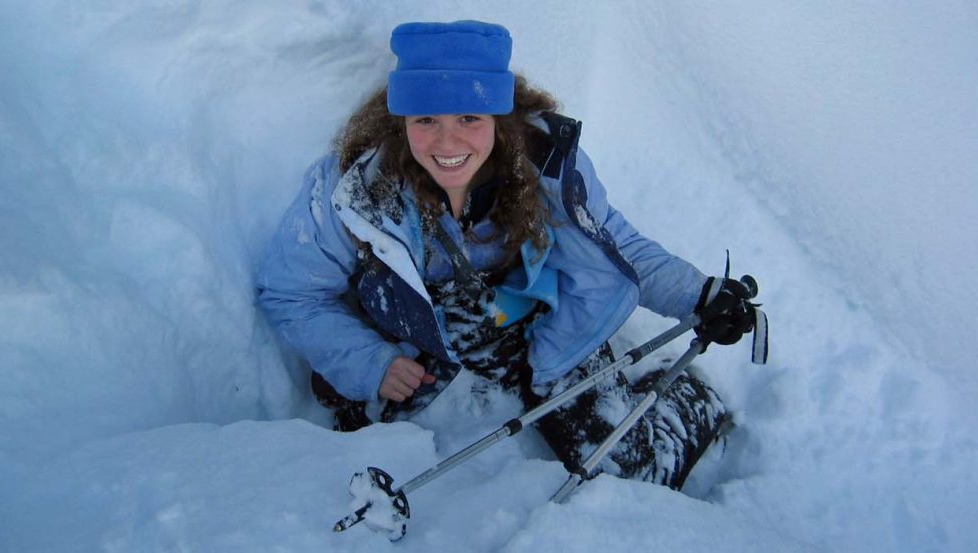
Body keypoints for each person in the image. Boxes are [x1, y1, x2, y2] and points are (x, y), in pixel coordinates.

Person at [256, 20, 759, 490]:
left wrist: (698, 293)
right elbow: (291, 293)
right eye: (426, 118)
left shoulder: (544, 169)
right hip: (414, 336)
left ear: (498, 116)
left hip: (531, 321)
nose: (446, 141)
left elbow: (613, 245)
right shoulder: (355, 191)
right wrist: (369, 363)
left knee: (624, 467)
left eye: (469, 118)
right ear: (401, 118)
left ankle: (690, 401)